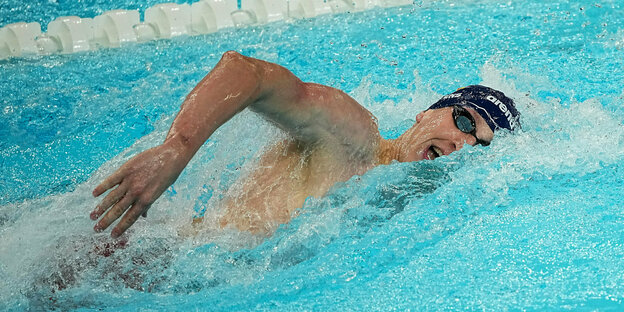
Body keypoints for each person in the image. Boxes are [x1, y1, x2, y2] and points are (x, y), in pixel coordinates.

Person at [90, 51, 521, 238]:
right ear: (425, 113)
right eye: (464, 120)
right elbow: (248, 74)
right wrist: (177, 148)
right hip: (132, 253)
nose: (462, 143)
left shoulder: (398, 207)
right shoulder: (355, 138)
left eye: (479, 144)